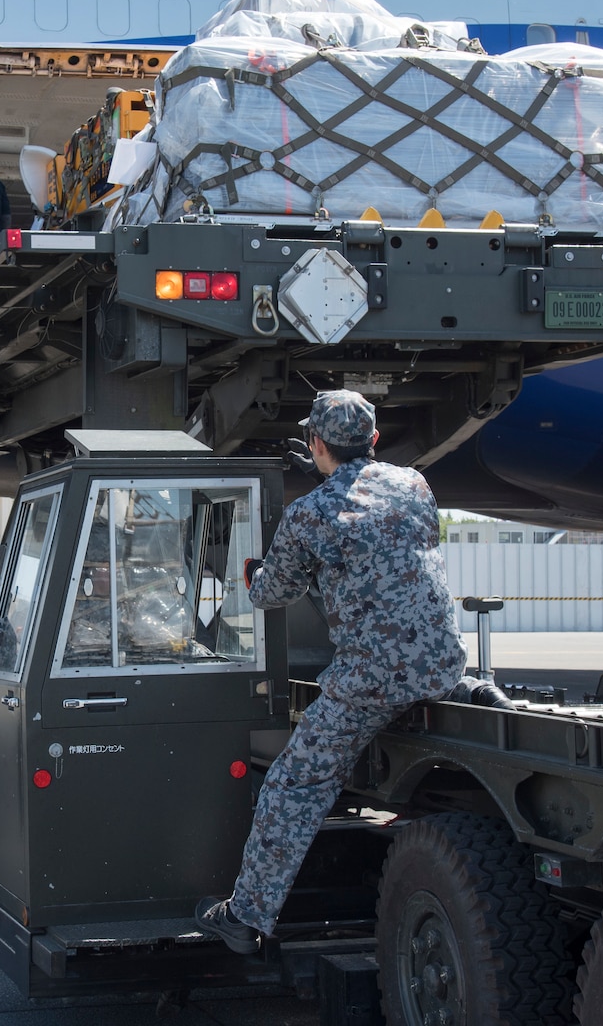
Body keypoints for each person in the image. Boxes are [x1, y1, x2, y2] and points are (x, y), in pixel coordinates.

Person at [195, 390, 468, 952]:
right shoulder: (416, 485)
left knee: (292, 787)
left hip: (369, 682)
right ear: (372, 439)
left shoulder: (309, 513)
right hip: (441, 665)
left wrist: (253, 572)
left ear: (316, 443)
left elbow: (274, 592)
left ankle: (244, 918)